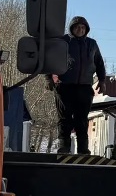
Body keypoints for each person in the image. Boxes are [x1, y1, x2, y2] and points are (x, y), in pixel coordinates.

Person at [45, 16, 106, 155]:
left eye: (83, 27)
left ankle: (83, 148)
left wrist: (102, 80)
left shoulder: (92, 44)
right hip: (64, 86)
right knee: (65, 118)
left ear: (87, 30)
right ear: (72, 28)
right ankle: (64, 147)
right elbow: (50, 59)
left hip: (84, 87)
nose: (80, 30)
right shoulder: (63, 42)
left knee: (82, 119)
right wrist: (48, 79)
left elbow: (99, 63)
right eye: (77, 27)